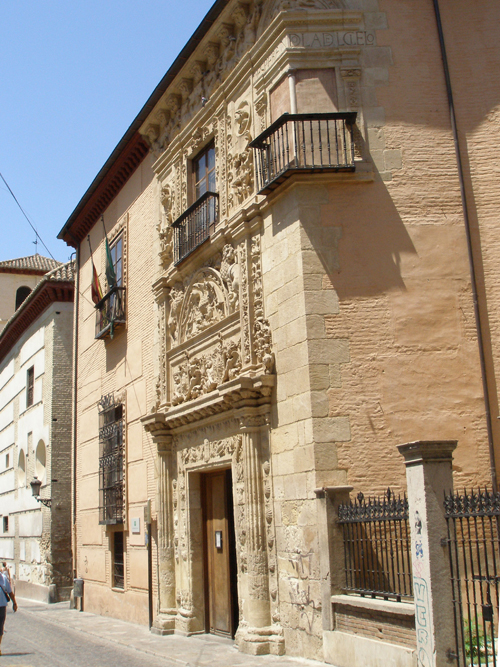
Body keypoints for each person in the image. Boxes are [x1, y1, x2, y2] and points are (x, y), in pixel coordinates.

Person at [0, 569, 17, 656]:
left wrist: (14, 603)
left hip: (2, 606)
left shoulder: (3, 578)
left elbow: (10, 592)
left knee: (0, 627)